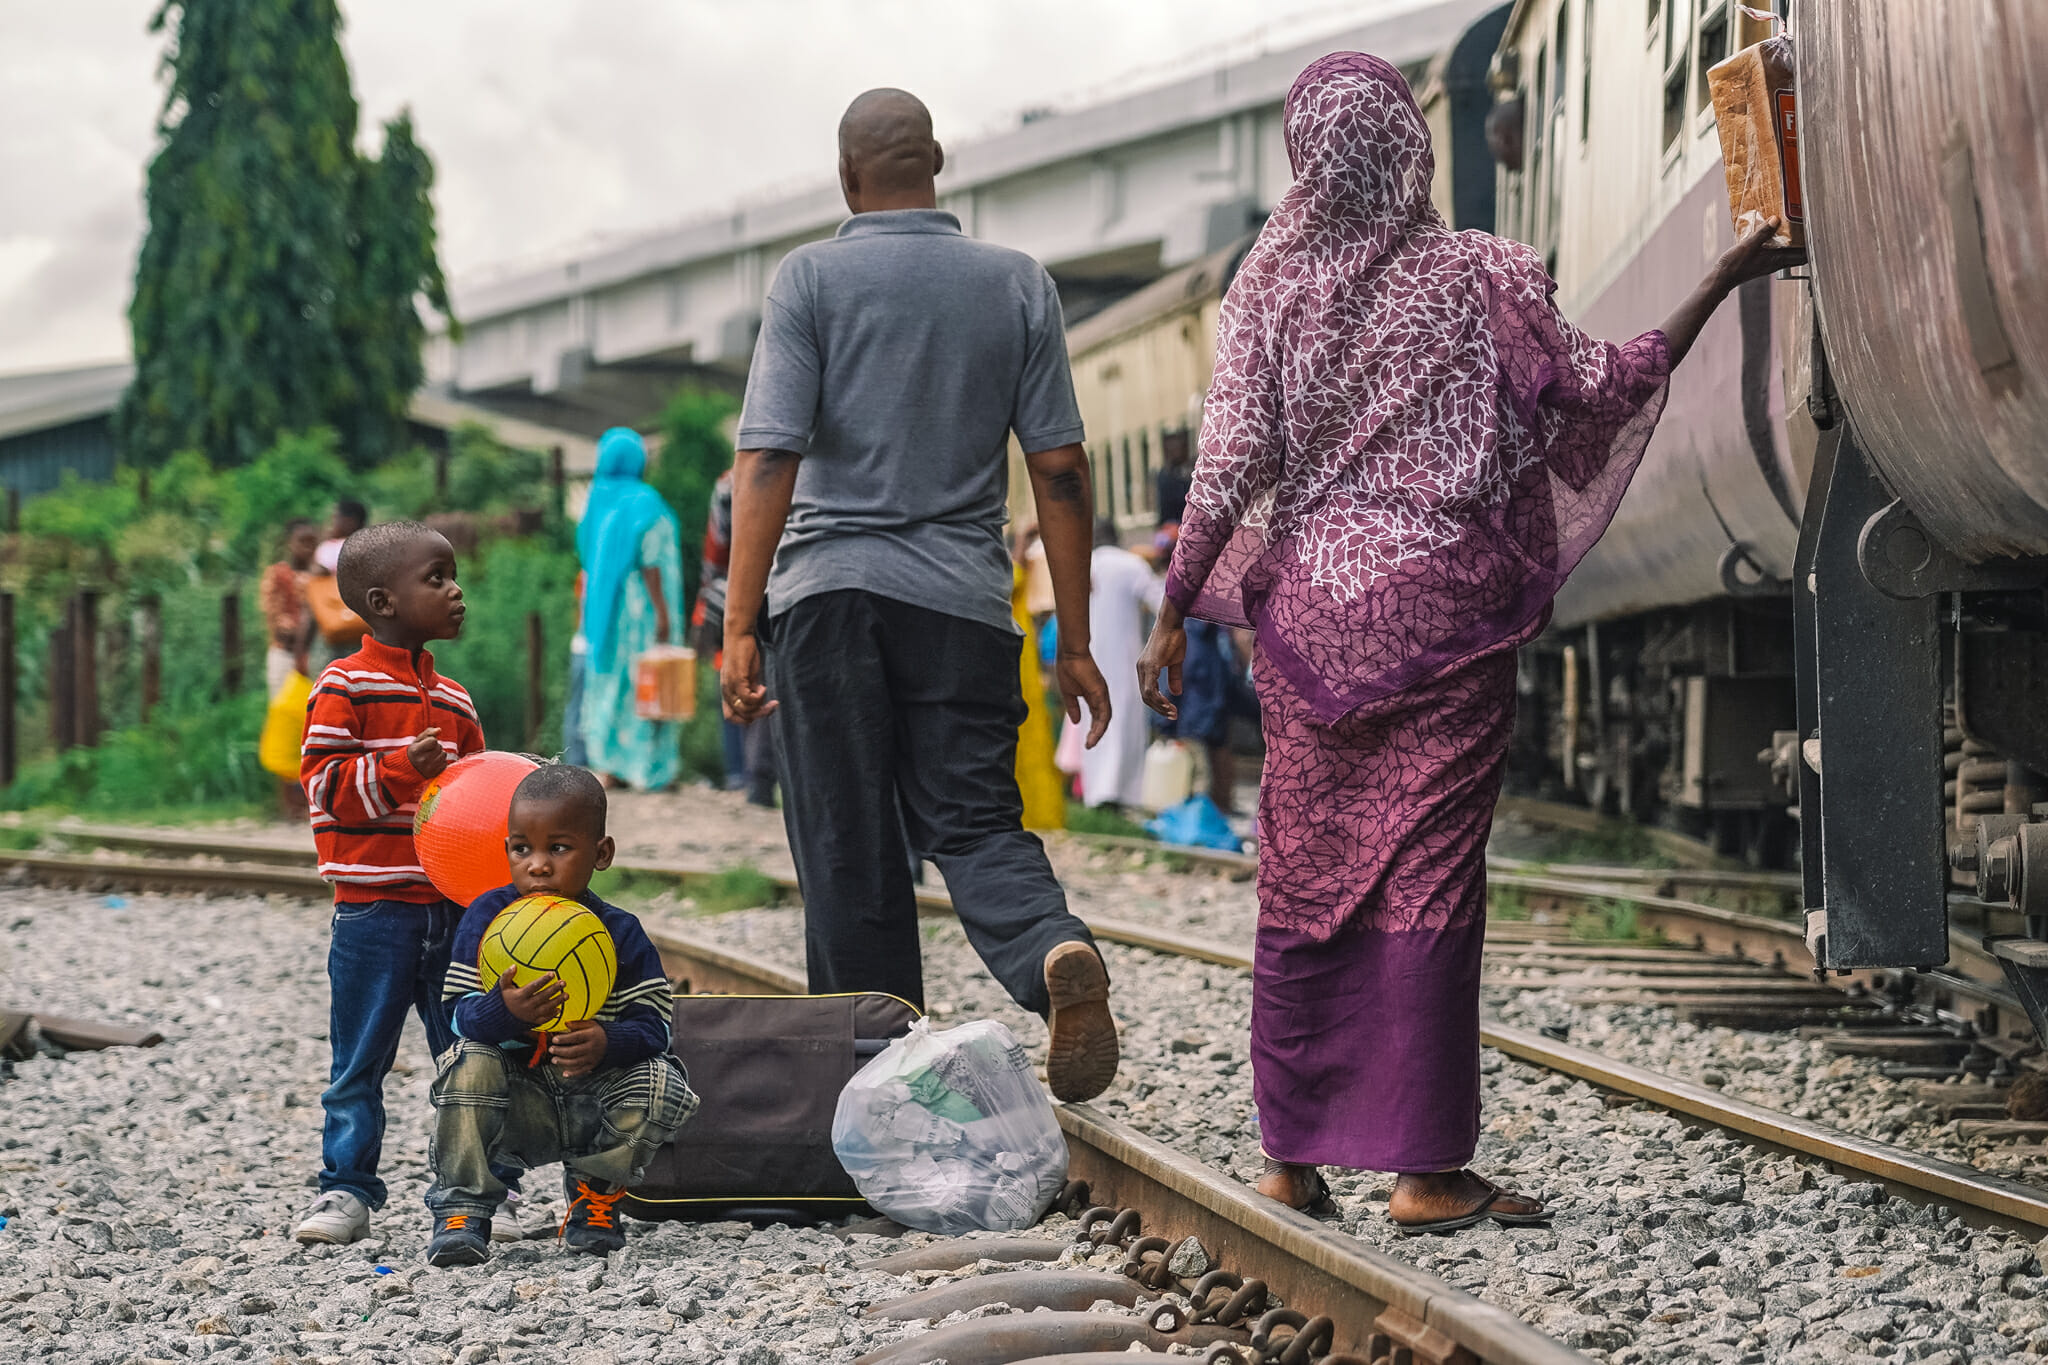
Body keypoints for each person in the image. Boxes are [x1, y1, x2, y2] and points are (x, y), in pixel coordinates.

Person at [1136, 54, 1801, 1229]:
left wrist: (1167, 615)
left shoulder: (1263, 290)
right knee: (1427, 883)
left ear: (1303, 159)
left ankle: (1289, 1158)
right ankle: (1425, 1172)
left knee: (1300, 877)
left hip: (1310, 632)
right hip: (1443, 618)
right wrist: (1723, 274)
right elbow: (1600, 390)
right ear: (1411, 147)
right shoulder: (1480, 273)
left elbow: (1227, 469)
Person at [721, 87, 1120, 1103]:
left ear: (846, 177)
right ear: (937, 161)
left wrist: (738, 620)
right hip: (961, 603)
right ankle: (1046, 951)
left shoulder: (808, 278)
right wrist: (1072, 639)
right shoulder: (1018, 284)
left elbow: (768, 459)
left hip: (822, 603)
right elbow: (1062, 471)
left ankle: (881, 1098)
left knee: (847, 847)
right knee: (978, 821)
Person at [292, 521, 487, 1245]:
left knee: (468, 1059)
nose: (455, 588)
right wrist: (406, 766)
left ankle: (468, 1190)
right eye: (435, 577)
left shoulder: (460, 701)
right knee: (359, 1061)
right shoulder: (342, 685)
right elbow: (329, 791)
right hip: (372, 911)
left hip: (451, 911)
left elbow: (472, 811)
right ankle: (345, 1189)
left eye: (453, 574)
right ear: (383, 600)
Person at [424, 764, 700, 1266]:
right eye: (521, 848)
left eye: (558, 848)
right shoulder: (487, 920)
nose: (538, 865)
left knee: (665, 1081)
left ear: (601, 854)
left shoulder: (620, 931)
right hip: (512, 1106)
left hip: (591, 1100)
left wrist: (607, 1040)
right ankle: (463, 1209)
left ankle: (594, 1196)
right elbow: (456, 1018)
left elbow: (657, 1026)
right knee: (468, 1058)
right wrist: (502, 1012)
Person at [576, 427, 685, 793]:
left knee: (613, 685)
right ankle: (650, 769)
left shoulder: (598, 501)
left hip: (608, 615)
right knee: (649, 683)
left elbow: (586, 559)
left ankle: (612, 766)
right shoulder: (645, 501)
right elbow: (652, 560)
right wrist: (664, 614)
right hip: (643, 612)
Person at [693, 468, 776, 806]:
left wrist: (709, 599)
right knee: (775, 682)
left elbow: (716, 549)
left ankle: (743, 776)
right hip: (788, 590)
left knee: (735, 677)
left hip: (736, 595)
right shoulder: (802, 471)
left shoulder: (728, 483)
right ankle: (761, 779)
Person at [1066, 519, 1162, 810]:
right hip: (1125, 659)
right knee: (1125, 723)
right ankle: (1123, 795)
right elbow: (1162, 603)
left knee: (1092, 723)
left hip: (1086, 658)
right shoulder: (1131, 564)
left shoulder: (1078, 565)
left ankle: (1096, 793)